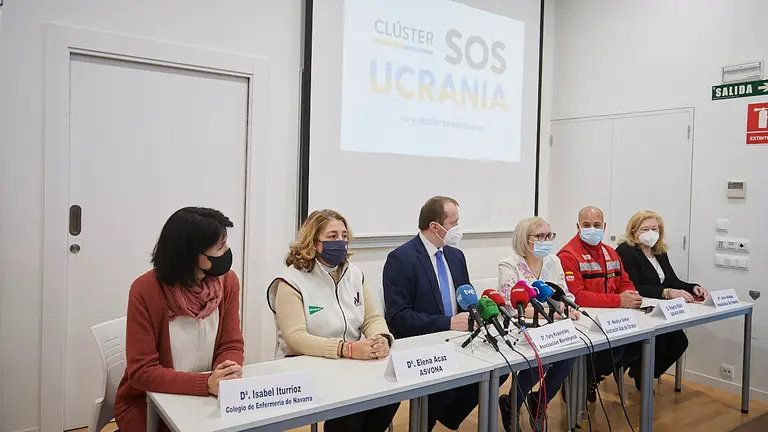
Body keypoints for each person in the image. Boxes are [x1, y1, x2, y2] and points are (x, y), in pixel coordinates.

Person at [267, 209, 398, 432]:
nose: (340, 242)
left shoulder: (354, 273)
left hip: (351, 362)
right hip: (308, 365)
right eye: (332, 236)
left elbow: (371, 317)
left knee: (390, 396)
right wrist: (345, 349)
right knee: (351, 412)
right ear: (314, 242)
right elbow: (295, 338)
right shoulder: (291, 281)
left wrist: (381, 338)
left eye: (344, 236)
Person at [115, 207, 245, 431]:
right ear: (191, 254)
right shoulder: (146, 290)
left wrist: (227, 370)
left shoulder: (228, 282)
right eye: (220, 246)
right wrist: (205, 384)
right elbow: (142, 372)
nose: (227, 252)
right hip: (149, 404)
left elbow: (231, 343)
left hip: (209, 399)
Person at [383, 196, 506, 431]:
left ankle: (447, 416)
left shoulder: (455, 256)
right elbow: (398, 319)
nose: (458, 230)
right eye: (454, 223)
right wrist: (448, 322)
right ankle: (427, 418)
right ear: (434, 227)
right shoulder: (401, 259)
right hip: (424, 341)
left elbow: (466, 300)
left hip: (458, 338)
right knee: (445, 379)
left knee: (498, 368)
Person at [497, 217, 580, 432]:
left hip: (553, 324)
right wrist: (551, 313)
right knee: (538, 358)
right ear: (525, 239)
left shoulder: (554, 262)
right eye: (540, 236)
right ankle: (512, 403)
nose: (546, 241)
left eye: (548, 236)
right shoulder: (509, 264)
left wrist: (569, 307)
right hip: (521, 326)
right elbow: (511, 306)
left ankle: (540, 400)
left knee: (571, 353)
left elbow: (564, 293)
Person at [616, 210, 709, 390]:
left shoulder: (659, 252)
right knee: (658, 342)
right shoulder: (626, 250)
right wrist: (666, 292)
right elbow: (633, 286)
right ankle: (642, 374)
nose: (651, 233)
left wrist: (693, 287)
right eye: (645, 229)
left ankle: (644, 372)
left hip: (661, 311)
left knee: (679, 342)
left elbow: (672, 281)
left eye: (654, 229)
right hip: (639, 309)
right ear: (634, 231)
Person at [557, 206, 642, 402]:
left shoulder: (611, 253)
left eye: (597, 225)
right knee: (617, 349)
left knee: (637, 344)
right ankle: (578, 378)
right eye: (586, 225)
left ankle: (591, 376)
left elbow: (624, 281)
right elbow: (577, 296)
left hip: (613, 315)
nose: (592, 229)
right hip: (586, 321)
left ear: (604, 227)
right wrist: (620, 301)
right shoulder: (568, 255)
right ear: (578, 227)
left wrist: (630, 294)